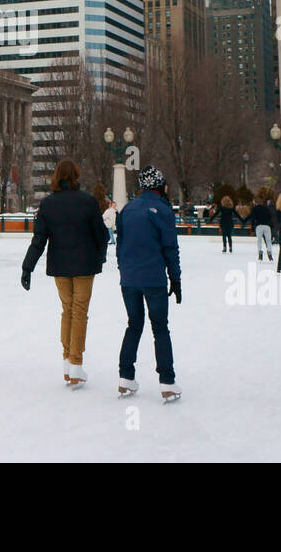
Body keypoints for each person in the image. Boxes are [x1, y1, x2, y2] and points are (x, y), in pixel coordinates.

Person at [20, 158, 110, 386]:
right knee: (79, 311)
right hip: (85, 265)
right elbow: (102, 235)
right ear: (76, 175)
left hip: (60, 265)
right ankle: (76, 364)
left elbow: (39, 239)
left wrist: (27, 266)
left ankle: (68, 364)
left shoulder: (48, 204)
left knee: (67, 310)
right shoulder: (88, 202)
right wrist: (100, 257)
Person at [114, 166, 182, 402]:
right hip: (153, 278)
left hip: (129, 279)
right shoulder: (162, 210)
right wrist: (176, 278)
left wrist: (124, 271)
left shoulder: (127, 209)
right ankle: (167, 381)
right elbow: (170, 248)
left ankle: (125, 377)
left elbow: (120, 246)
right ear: (160, 186)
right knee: (160, 327)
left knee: (134, 325)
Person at [250, 196, 275, 262]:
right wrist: (271, 226)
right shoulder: (266, 208)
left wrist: (252, 228)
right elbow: (270, 217)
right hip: (267, 226)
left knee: (259, 240)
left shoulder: (254, 209)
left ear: (256, 203)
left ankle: (260, 254)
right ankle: (270, 254)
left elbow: (253, 219)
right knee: (268, 241)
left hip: (259, 226)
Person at [94, 182, 117, 246]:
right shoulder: (114, 211)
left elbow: (103, 216)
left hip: (107, 224)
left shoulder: (109, 211)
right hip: (111, 224)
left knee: (108, 233)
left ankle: (111, 240)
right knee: (110, 233)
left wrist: (102, 220)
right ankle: (112, 240)